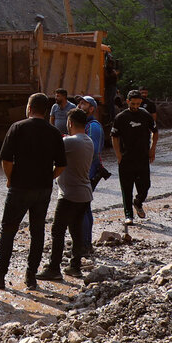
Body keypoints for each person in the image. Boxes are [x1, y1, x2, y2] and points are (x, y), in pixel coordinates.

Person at [0, 93, 65, 290]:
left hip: (19, 187)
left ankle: (0, 276)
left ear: (29, 108)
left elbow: (6, 160)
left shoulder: (18, 127)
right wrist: (48, 178)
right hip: (43, 190)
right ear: (46, 111)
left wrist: (10, 179)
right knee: (37, 232)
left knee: (8, 231)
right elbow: (62, 165)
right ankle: (31, 278)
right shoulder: (54, 133)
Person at [38, 109, 95, 282]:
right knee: (76, 231)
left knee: (58, 231)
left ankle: (54, 268)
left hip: (69, 195)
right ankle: (75, 266)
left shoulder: (70, 141)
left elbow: (49, 151)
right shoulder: (89, 141)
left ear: (70, 123)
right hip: (85, 194)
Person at [110, 90, 157, 225]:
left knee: (145, 185)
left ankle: (138, 202)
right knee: (126, 188)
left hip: (142, 157)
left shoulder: (145, 115)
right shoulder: (121, 117)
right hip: (126, 158)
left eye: (138, 103)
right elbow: (114, 137)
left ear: (141, 102)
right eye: (133, 103)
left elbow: (155, 132)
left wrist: (152, 150)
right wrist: (118, 155)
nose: (135, 106)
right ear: (127, 101)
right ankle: (128, 215)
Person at [80, 106, 107, 251]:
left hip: (89, 173)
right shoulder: (89, 125)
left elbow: (93, 150)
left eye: (83, 104)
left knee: (83, 208)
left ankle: (85, 244)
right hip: (87, 172)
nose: (79, 106)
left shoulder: (93, 127)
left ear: (91, 108)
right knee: (85, 207)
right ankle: (86, 243)